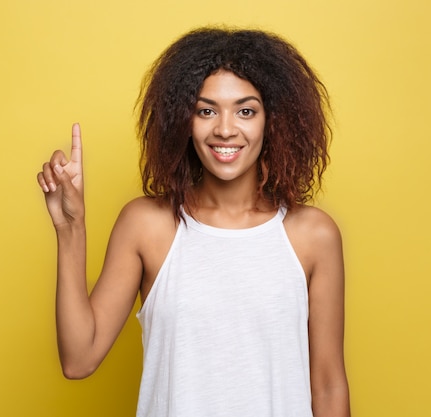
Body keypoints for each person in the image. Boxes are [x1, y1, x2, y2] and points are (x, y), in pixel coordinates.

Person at [37, 27, 350, 417]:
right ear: (183, 121)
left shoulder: (313, 235)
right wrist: (70, 229)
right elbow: (79, 359)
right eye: (206, 110)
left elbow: (328, 384)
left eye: (246, 111)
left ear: (274, 121)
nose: (224, 128)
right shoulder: (147, 226)